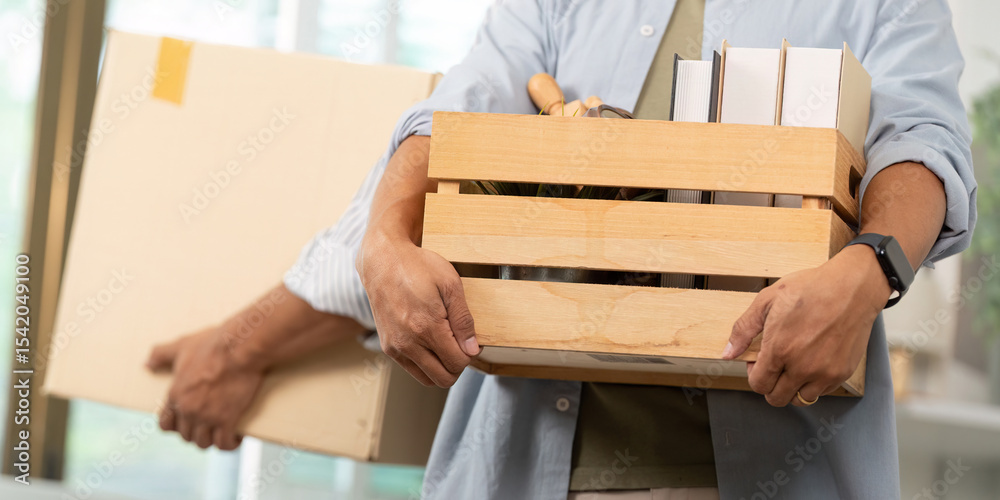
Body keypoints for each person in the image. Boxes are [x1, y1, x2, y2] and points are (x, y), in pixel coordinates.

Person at [148, 1, 977, 498]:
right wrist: (382, 242)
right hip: (516, 468)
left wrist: (872, 266)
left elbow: (923, 143)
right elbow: (455, 115)